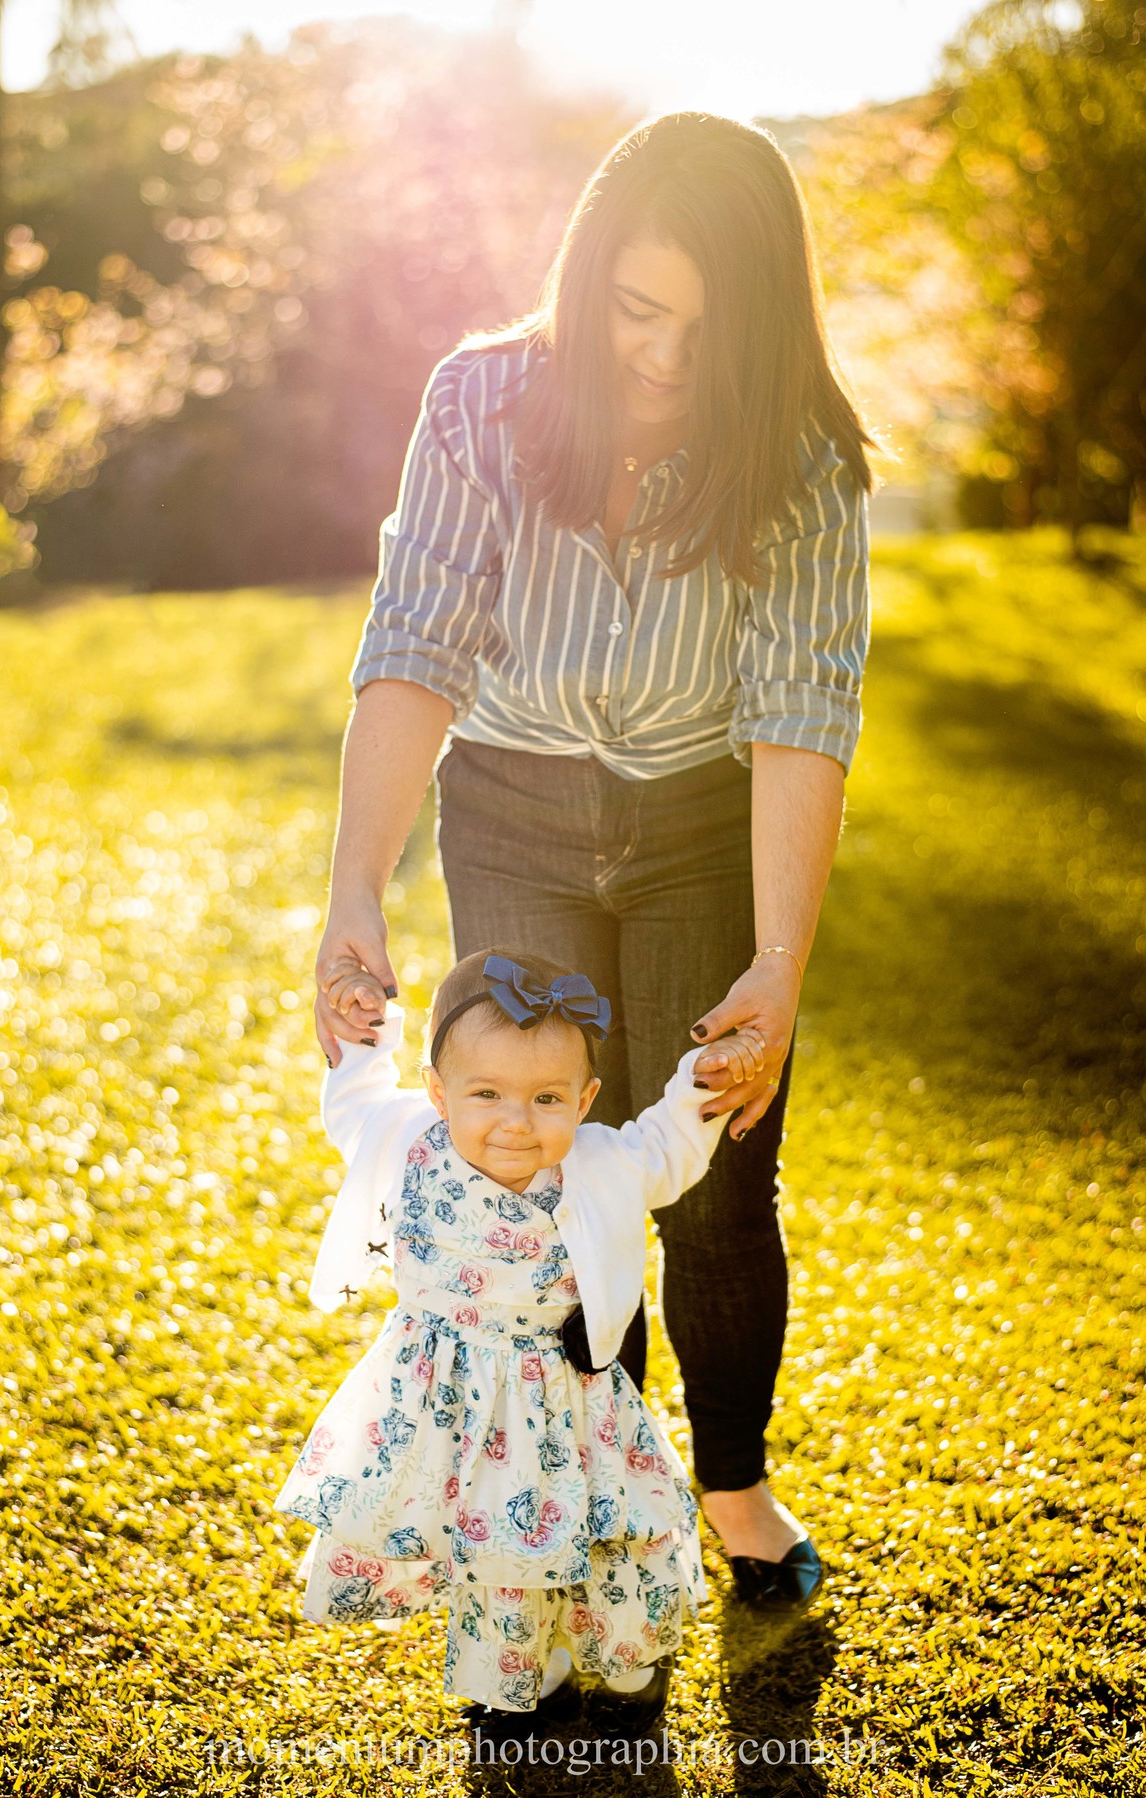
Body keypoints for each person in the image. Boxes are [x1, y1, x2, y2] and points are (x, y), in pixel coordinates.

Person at [314, 111, 874, 1609]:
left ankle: (733, 1484)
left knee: (714, 1176)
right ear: (586, 278)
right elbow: (416, 641)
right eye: (636, 311)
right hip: (514, 802)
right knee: (545, 1163)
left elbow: (801, 709)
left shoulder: (802, 454)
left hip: (703, 821)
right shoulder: (480, 402)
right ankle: (564, 1500)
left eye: (706, 327)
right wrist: (356, 885)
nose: (664, 359)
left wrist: (778, 958)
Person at [275, 948, 756, 1740]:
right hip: (452, 1403)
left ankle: (631, 1674)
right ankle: (524, 1679)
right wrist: (368, 1026)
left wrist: (699, 1085)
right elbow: (354, 1096)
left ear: (585, 1098)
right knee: (493, 1545)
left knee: (613, 1532)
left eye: (546, 1098)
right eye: (486, 1093)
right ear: (437, 1091)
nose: (515, 1121)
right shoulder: (404, 1137)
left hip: (573, 1404)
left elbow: (668, 1150)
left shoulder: (601, 1162)